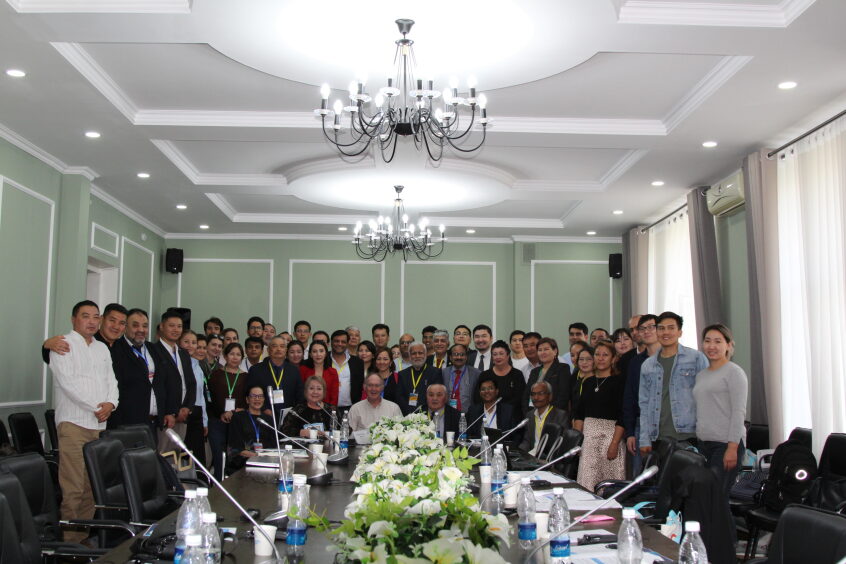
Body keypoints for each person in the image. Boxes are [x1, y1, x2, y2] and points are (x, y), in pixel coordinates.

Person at [49, 300, 119, 539]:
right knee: (73, 487)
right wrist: (97, 407)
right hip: (74, 424)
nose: (91, 321)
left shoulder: (102, 348)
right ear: (74, 319)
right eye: (85, 316)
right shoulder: (62, 344)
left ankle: (82, 539)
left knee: (91, 486)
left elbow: (112, 381)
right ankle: (69, 544)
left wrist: (111, 404)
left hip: (98, 425)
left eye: (95, 317)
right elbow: (68, 384)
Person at [638, 312, 708, 457]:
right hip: (657, 436)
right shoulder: (648, 365)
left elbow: (707, 397)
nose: (666, 332)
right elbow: (644, 403)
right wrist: (644, 438)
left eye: (671, 328)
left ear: (680, 332)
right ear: (656, 331)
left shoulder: (696, 358)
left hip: (689, 435)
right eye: (661, 328)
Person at [692, 324, 748, 496]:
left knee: (717, 497)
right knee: (705, 496)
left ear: (728, 345)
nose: (712, 346)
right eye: (707, 341)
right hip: (704, 444)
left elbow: (739, 412)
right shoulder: (702, 375)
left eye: (718, 341)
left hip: (726, 445)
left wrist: (732, 448)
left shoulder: (734, 372)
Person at [108, 308, 179, 434]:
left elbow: (166, 380)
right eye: (135, 325)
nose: (141, 330)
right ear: (125, 327)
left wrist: (169, 411)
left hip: (153, 423)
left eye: (145, 326)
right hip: (125, 423)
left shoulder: (154, 349)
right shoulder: (115, 350)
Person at [573, 341, 626, 491]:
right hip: (588, 439)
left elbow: (623, 415)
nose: (601, 358)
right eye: (597, 354)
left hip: (610, 438)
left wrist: (614, 444)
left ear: (613, 358)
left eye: (605, 355)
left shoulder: (620, 382)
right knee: (587, 483)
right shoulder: (588, 382)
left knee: (609, 486)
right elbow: (579, 414)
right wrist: (577, 441)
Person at [152, 310, 196, 453]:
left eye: (179, 326)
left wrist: (187, 407)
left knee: (177, 456)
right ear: (162, 326)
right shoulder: (153, 351)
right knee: (162, 455)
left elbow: (191, 383)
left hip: (182, 416)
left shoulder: (183, 353)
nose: (176, 329)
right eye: (171, 326)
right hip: (165, 418)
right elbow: (158, 385)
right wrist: (169, 411)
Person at [623, 314, 659, 476]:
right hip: (640, 425)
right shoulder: (635, 362)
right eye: (642, 328)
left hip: (666, 426)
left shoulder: (672, 359)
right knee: (640, 475)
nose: (646, 331)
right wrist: (630, 432)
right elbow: (629, 397)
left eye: (651, 327)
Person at [207, 343, 248, 480]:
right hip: (217, 421)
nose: (235, 357)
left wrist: (236, 412)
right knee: (219, 456)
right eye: (232, 354)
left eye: (238, 355)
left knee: (235, 456)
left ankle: (236, 485)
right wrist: (221, 414)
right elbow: (210, 399)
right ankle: (218, 483)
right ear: (225, 356)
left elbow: (247, 401)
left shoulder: (246, 377)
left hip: (237, 423)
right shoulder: (215, 375)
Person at [246, 335, 303, 419]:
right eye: (274, 346)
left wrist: (293, 412)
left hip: (288, 417)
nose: (278, 349)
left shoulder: (293, 370)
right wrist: (264, 409)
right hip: (262, 415)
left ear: (286, 350)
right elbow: (250, 393)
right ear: (268, 350)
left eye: (282, 346)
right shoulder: (256, 370)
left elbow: (300, 395)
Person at [226, 386, 275, 472]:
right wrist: (256, 456)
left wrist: (264, 457)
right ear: (247, 399)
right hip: (242, 463)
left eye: (260, 396)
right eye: (253, 396)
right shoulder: (238, 417)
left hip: (266, 462)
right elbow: (235, 447)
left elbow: (273, 445)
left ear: (264, 399)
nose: (257, 399)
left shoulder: (268, 419)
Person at [178, 329, 209, 466]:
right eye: (186, 342)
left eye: (193, 342)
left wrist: (204, 421)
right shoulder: (177, 363)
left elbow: (201, 396)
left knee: (197, 457)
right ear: (179, 343)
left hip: (196, 414)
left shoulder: (198, 366)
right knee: (181, 456)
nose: (190, 345)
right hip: (182, 413)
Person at [523, 337, 573, 417]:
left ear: (555, 351)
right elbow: (527, 395)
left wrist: (547, 414)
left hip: (554, 416)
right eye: (540, 350)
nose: (542, 352)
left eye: (546, 349)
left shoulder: (562, 368)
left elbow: (563, 396)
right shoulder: (534, 372)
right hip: (533, 415)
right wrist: (528, 413)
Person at [518, 382, 569, 456]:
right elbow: (527, 441)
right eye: (533, 394)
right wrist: (518, 453)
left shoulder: (560, 415)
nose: (536, 397)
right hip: (531, 456)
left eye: (541, 393)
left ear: (550, 396)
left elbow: (561, 444)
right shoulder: (530, 415)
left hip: (549, 457)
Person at [476, 340, 525, 416]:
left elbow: (520, 398)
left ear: (508, 356)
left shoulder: (517, 374)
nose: (498, 357)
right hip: (488, 415)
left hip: (512, 416)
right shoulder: (485, 375)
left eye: (501, 354)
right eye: (495, 354)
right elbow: (477, 398)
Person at [395, 341, 442, 414]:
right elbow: (400, 397)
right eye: (414, 353)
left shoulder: (435, 372)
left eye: (420, 353)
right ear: (409, 356)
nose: (417, 356)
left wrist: (422, 413)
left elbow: (436, 396)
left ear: (425, 355)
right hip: (407, 415)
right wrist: (410, 413)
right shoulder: (402, 374)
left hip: (428, 414)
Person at [330, 329, 365, 410]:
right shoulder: (324, 359)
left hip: (351, 408)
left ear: (347, 343)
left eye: (343, 342)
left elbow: (360, 386)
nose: (340, 344)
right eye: (336, 341)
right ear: (331, 342)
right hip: (327, 407)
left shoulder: (357, 362)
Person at [441, 344, 479, 413]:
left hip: (469, 414)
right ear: (450, 357)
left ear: (466, 357)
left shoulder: (476, 373)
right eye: (455, 354)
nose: (459, 357)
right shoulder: (443, 373)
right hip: (448, 414)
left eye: (462, 354)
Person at [299, 340, 339, 405]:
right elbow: (300, 392)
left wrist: (330, 409)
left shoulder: (332, 372)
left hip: (326, 408)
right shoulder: (303, 370)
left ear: (326, 354)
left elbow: (334, 396)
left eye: (321, 351)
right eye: (314, 351)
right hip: (307, 406)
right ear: (310, 354)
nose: (318, 354)